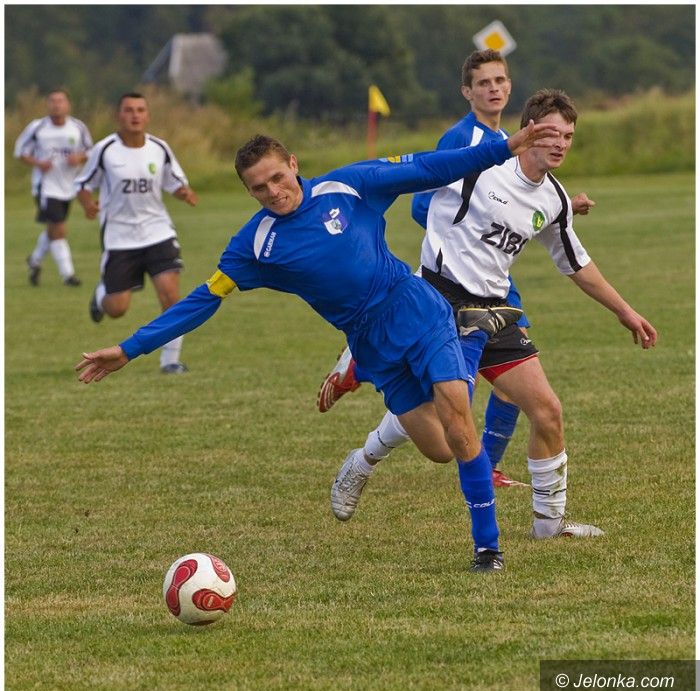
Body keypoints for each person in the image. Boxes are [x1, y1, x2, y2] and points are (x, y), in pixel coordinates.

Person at [75, 123, 560, 572]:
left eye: (278, 177)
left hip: (417, 309)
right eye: (259, 188)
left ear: (294, 163)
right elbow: (203, 301)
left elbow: (429, 167)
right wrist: (129, 349)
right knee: (438, 450)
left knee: (458, 423)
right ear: (248, 192)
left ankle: (487, 547)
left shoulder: (348, 186)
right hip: (371, 344)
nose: (273, 192)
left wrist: (504, 147)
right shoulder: (255, 245)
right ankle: (408, 373)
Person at [327, 89, 657, 540]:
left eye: (568, 136)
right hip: (441, 303)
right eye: (551, 133)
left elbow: (576, 263)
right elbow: (410, 180)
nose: (560, 143)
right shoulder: (477, 167)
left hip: (494, 310)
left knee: (548, 411)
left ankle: (549, 525)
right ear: (528, 130)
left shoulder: (554, 198)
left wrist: (626, 311)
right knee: (444, 428)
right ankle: (363, 459)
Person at [318, 49, 596, 488]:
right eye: (484, 83)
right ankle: (364, 375)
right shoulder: (462, 138)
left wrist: (557, 211)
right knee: (450, 400)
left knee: (512, 378)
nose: (494, 89)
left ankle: (489, 465)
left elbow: (520, 199)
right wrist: (464, 233)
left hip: (495, 278)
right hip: (454, 279)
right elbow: (424, 203)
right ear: (467, 91)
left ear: (510, 87)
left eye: (500, 81)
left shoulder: (505, 138)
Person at [75, 92, 198, 374]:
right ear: (118, 115)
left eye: (140, 110)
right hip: (120, 237)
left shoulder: (159, 148)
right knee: (117, 308)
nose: (135, 115)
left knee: (171, 297)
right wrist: (87, 204)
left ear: (147, 115)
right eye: (129, 110)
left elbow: (174, 181)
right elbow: (82, 183)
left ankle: (170, 361)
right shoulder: (105, 149)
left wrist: (183, 193)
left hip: (158, 231)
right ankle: (101, 294)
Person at [14, 88, 93, 286]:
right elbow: (20, 152)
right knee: (59, 229)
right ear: (47, 104)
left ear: (68, 104)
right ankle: (68, 275)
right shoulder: (38, 127)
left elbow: (91, 151)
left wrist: (79, 157)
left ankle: (35, 260)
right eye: (53, 101)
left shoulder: (78, 127)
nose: (57, 105)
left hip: (69, 185)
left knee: (53, 229)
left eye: (61, 101)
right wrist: (38, 163)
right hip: (46, 187)